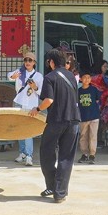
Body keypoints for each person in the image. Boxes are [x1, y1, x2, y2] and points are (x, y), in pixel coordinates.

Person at [30, 48, 80, 203]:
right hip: (74, 121)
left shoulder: (50, 77)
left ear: (51, 62)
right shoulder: (71, 76)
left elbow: (48, 100)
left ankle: (52, 185)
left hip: (56, 120)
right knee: (66, 157)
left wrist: (37, 109)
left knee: (46, 152)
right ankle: (60, 193)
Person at [9, 50, 42, 166]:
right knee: (19, 129)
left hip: (30, 104)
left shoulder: (38, 76)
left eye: (30, 60)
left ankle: (29, 155)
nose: (27, 62)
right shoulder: (20, 72)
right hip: (18, 102)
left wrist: (35, 87)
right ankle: (22, 153)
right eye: (25, 60)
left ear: (34, 62)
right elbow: (9, 76)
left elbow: (41, 92)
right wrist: (13, 76)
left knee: (28, 130)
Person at [77, 71, 101, 164]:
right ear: (80, 79)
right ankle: (84, 154)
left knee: (93, 136)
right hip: (83, 117)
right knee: (83, 136)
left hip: (94, 117)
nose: (87, 79)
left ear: (91, 79)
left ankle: (92, 154)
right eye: (84, 77)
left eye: (88, 77)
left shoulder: (94, 90)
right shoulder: (79, 91)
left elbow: (98, 100)